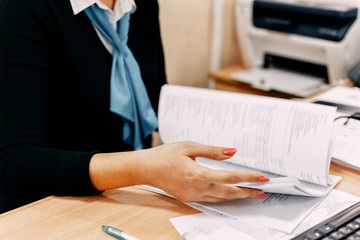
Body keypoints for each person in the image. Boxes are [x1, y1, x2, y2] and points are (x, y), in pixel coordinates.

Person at [0, 0, 268, 214]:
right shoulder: (23, 10)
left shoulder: (141, 5)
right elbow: (12, 161)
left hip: (124, 194)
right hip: (50, 205)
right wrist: (143, 167)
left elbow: (156, 100)